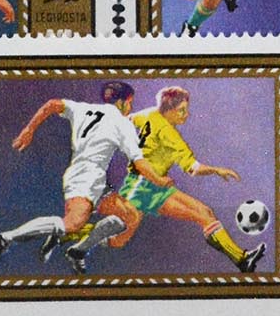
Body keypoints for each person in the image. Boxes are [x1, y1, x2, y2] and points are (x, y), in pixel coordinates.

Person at [67, 86, 262, 273]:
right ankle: (74, 235)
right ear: (168, 110)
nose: (186, 115)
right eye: (181, 110)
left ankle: (242, 259)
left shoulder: (148, 114)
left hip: (156, 187)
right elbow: (193, 169)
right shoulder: (171, 136)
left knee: (203, 214)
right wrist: (217, 170)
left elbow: (127, 119)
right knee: (121, 238)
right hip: (142, 186)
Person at [0, 80, 145, 273]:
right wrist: (157, 178)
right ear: (123, 102)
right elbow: (139, 160)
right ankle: (5, 238)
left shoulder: (83, 109)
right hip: (85, 176)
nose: (130, 107)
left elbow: (52, 104)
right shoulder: (121, 122)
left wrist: (29, 130)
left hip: (95, 178)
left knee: (130, 215)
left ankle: (78, 251)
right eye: (130, 103)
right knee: (73, 223)